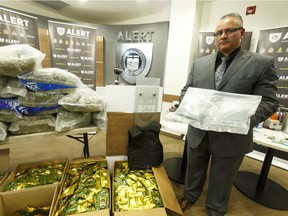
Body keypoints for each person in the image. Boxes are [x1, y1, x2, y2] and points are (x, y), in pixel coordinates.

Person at [178, 13, 278, 216]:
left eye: (229, 31)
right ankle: (190, 195)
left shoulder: (261, 63)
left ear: (241, 33)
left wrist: (241, 118)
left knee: (222, 177)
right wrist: (188, 106)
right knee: (193, 170)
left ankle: (215, 209)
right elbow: (185, 91)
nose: (223, 36)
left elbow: (269, 102)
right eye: (218, 32)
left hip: (231, 136)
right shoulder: (200, 63)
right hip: (198, 132)